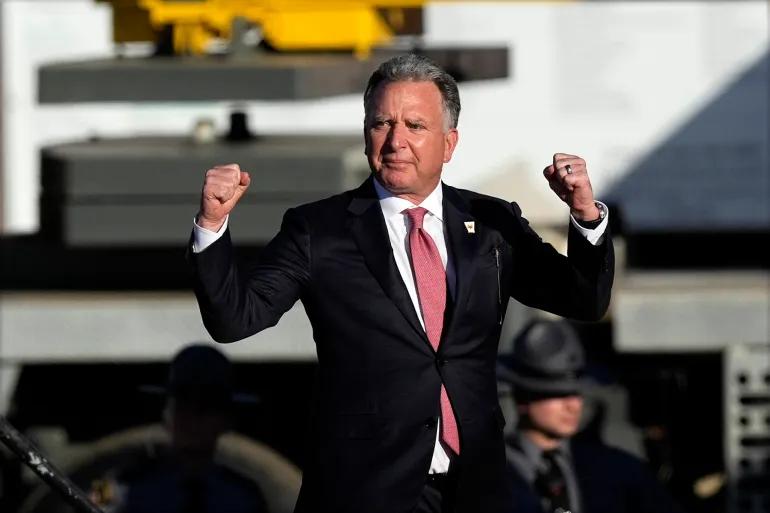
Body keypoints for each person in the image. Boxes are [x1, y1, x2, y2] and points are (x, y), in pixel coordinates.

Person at [188, 54, 614, 513]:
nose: (396, 141)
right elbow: (235, 319)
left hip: (474, 487)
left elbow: (583, 300)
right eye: (382, 124)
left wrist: (585, 216)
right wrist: (212, 225)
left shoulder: (492, 222)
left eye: (415, 125)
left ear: (449, 143)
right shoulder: (319, 230)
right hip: (365, 490)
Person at [499, 320, 682, 513]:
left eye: (576, 393)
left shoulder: (618, 470)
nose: (573, 405)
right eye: (557, 394)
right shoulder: (492, 472)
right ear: (523, 398)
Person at [91, 345, 268, 513]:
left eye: (205, 409)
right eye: (182, 407)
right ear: (166, 414)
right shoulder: (123, 487)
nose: (192, 420)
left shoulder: (244, 498)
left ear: (226, 419)